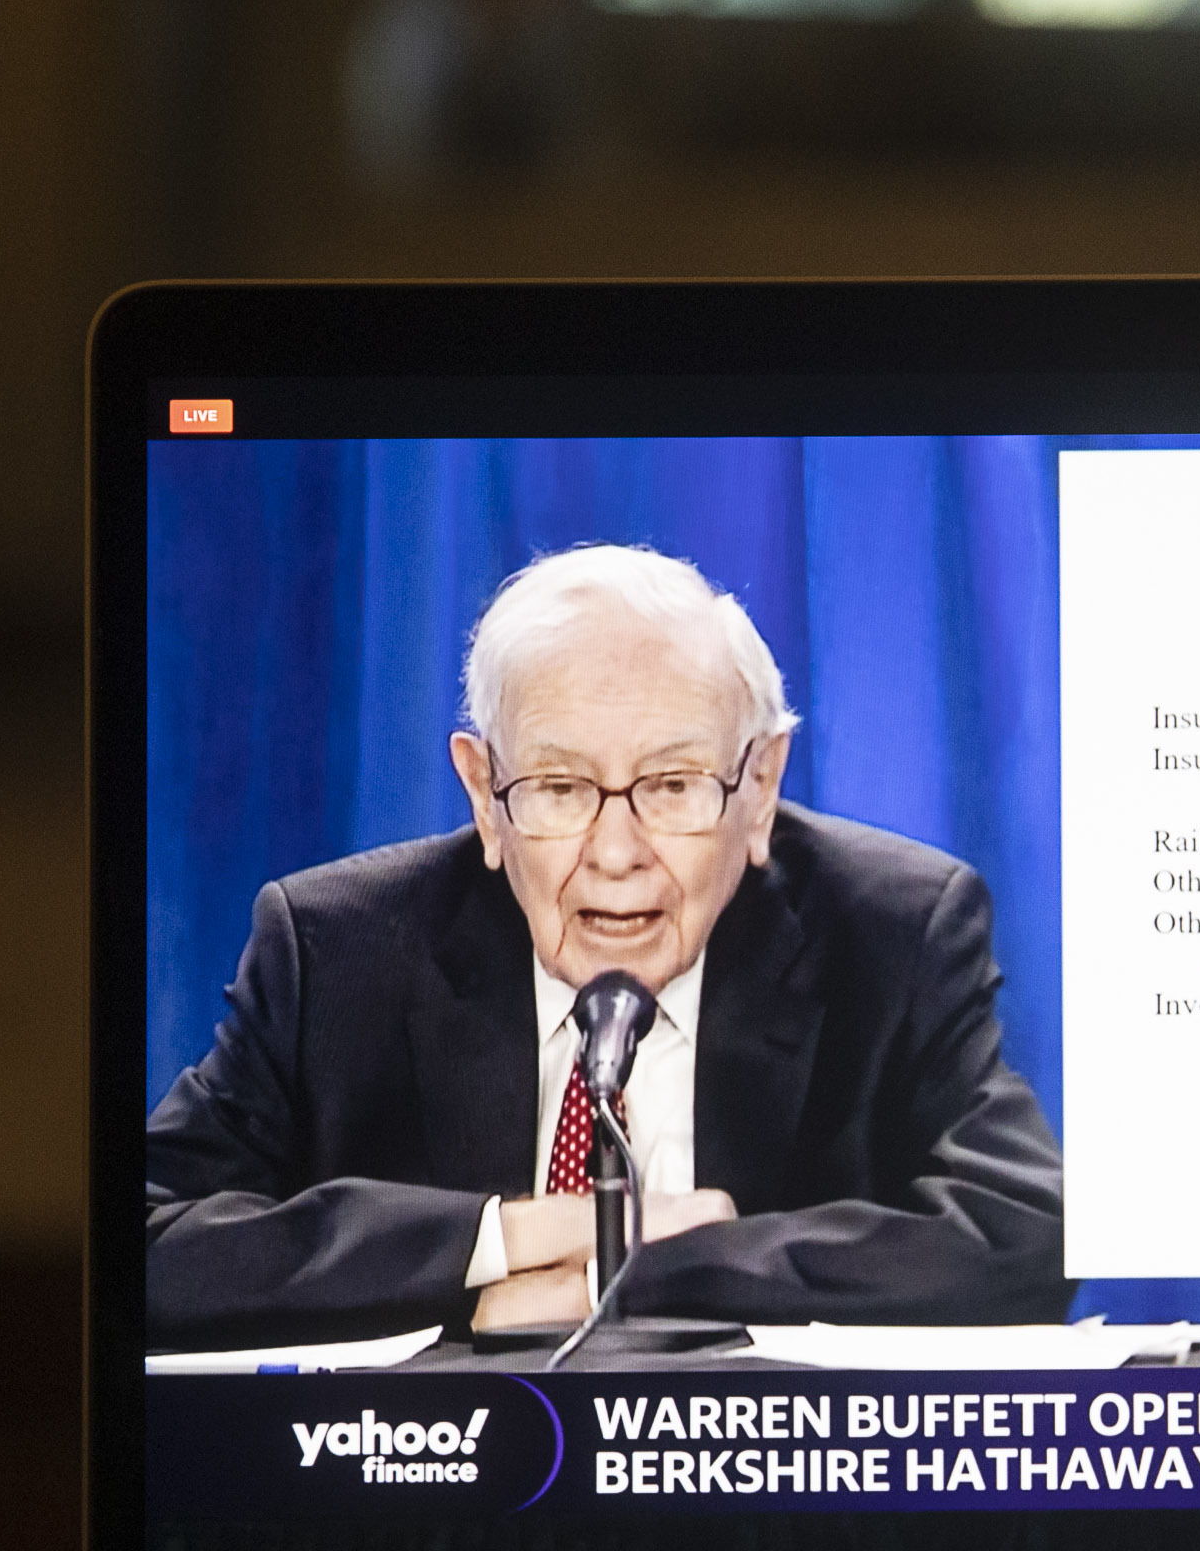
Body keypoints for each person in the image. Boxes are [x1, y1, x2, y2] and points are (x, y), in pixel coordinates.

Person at [146, 544, 1066, 1347]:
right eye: (557, 788)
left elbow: (1027, 1231)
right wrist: (505, 1241)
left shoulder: (891, 932)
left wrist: (622, 1277)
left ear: (760, 787)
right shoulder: (337, 951)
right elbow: (142, 1245)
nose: (616, 854)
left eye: (671, 785)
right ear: (483, 794)